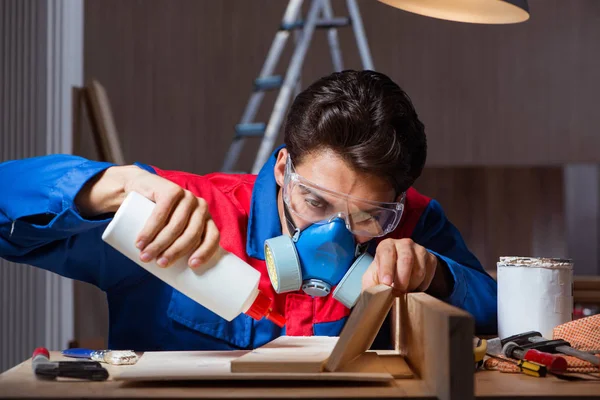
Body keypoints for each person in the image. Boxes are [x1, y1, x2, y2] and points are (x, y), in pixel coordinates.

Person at [0, 70, 497, 351]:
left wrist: (438, 275)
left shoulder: (412, 223)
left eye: (367, 216)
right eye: (315, 201)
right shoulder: (182, 215)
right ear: (283, 169)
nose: (336, 233)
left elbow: (501, 318)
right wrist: (107, 185)